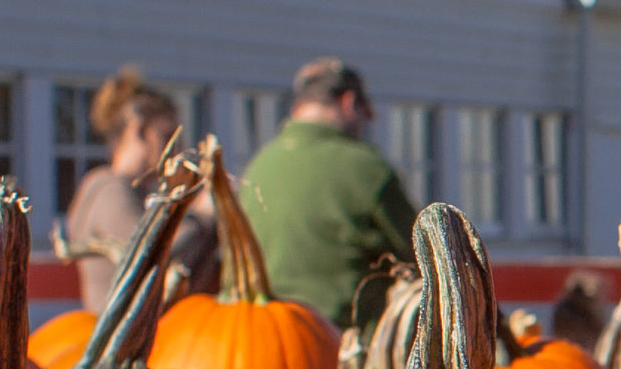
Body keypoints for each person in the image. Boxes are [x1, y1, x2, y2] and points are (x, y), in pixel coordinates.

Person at [238, 58, 417, 327]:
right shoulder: (366, 168)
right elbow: (423, 256)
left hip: (258, 333)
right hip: (342, 342)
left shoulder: (258, 166)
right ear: (349, 103)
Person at [61, 68, 215, 312]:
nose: (178, 150)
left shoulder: (127, 190)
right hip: (115, 343)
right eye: (167, 137)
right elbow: (148, 250)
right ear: (140, 130)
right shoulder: (109, 189)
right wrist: (203, 215)